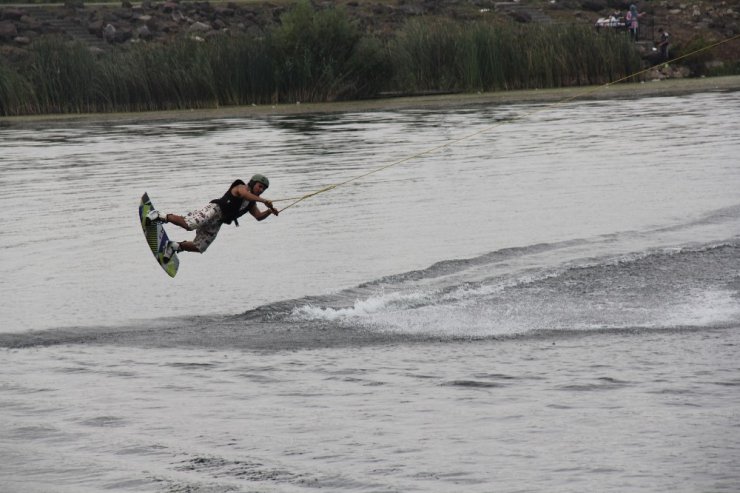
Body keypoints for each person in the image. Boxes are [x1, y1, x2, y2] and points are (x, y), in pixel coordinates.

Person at [146, 174, 279, 262]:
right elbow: (245, 194)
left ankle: (174, 246)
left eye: (264, 189)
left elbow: (258, 216)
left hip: (219, 221)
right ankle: (160, 216)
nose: (261, 190)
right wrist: (263, 201)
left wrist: (269, 211)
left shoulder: (252, 203)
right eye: (260, 186)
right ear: (253, 183)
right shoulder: (241, 187)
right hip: (214, 210)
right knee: (189, 224)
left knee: (200, 247)